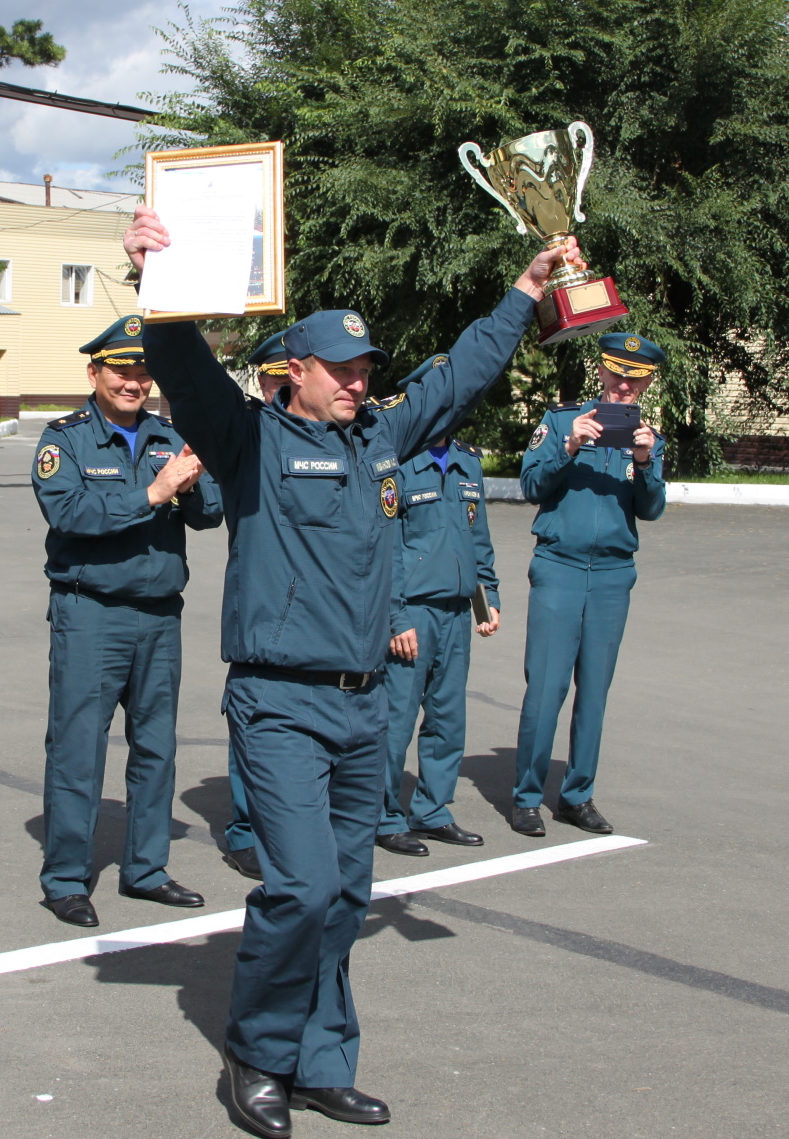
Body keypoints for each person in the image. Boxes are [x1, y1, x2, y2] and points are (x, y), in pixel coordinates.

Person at [130, 207, 568, 1137]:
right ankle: (257, 1051)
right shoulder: (249, 440)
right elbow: (185, 370)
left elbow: (460, 372)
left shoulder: (380, 439)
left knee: (350, 893)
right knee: (301, 886)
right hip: (281, 702)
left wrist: (527, 291)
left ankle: (322, 1062)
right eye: (344, 368)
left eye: (367, 368)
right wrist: (157, 286)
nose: (361, 382)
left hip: (366, 707)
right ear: (297, 369)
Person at [33, 315, 224, 927]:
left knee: (156, 751)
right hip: (92, 615)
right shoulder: (63, 440)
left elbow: (212, 511)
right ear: (94, 373)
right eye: (121, 371)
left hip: (159, 617)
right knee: (78, 750)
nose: (134, 382)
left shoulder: (171, 435)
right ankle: (65, 878)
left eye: (143, 371)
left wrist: (190, 485)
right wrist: (153, 493)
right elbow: (69, 514)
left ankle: (146, 869)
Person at [510, 332, 668, 840]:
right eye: (616, 374)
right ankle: (527, 798)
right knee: (547, 687)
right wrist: (569, 445)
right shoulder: (560, 422)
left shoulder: (648, 435)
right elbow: (531, 485)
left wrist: (644, 464)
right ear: (600, 371)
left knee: (595, 691)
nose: (623, 386)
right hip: (559, 565)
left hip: (613, 576)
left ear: (646, 383)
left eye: (635, 378)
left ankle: (578, 796)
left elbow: (652, 508)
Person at [375, 354, 502, 859]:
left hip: (456, 612)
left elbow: (479, 540)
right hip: (414, 613)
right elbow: (383, 547)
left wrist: (487, 599)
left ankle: (432, 810)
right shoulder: (398, 462)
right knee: (396, 718)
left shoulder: (468, 462)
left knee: (449, 717)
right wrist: (395, 616)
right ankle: (382, 815)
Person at [219, 328, 292, 882]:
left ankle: (289, 828)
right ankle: (245, 829)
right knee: (253, 717)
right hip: (260, 599)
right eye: (270, 382)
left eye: (284, 381)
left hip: (315, 611)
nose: (278, 391)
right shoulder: (248, 433)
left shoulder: (325, 434)